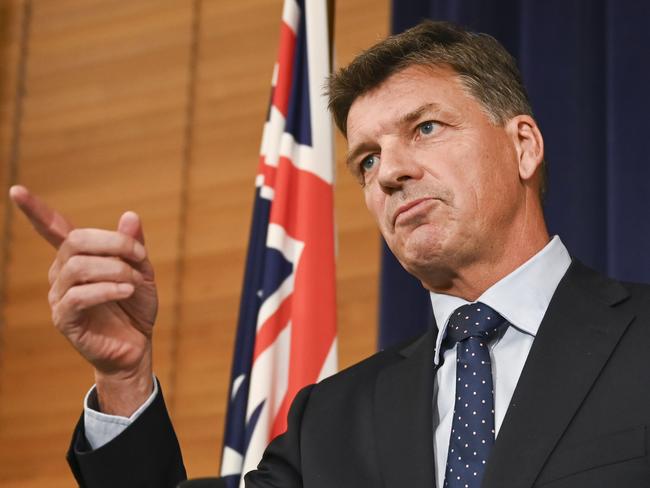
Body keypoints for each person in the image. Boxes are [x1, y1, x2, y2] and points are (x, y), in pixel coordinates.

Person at [10, 20, 650, 488]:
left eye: (425, 128)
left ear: (523, 146)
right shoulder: (331, 418)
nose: (391, 172)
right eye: (368, 160)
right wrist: (124, 379)